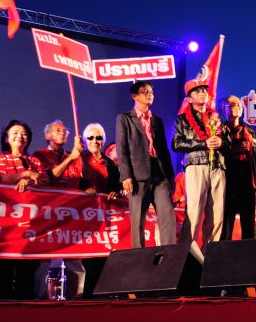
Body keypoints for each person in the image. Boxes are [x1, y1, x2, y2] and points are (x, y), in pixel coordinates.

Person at [0, 120, 45, 300]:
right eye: (15, 133)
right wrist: (25, 174)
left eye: (24, 133)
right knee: (1, 272)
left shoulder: (35, 161)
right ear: (6, 138)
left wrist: (29, 180)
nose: (20, 136)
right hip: (4, 224)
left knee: (27, 273)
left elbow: (43, 181)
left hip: (30, 225)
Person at [116, 81, 177, 250]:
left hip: (160, 174)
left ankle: (169, 254)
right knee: (138, 221)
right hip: (138, 176)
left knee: (168, 216)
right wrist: (126, 176)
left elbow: (164, 150)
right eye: (144, 91)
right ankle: (139, 257)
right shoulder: (125, 119)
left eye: (151, 91)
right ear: (134, 96)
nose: (149, 94)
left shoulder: (157, 120)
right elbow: (122, 148)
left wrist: (170, 176)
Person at [172, 81, 228, 251]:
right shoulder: (182, 119)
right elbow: (176, 144)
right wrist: (204, 143)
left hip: (217, 167)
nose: (203, 93)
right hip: (196, 166)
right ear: (189, 99)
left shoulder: (217, 117)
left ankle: (210, 254)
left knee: (217, 215)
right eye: (197, 92)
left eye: (204, 90)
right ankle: (186, 255)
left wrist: (221, 142)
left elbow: (228, 142)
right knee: (194, 213)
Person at [74, 123, 122, 299]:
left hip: (106, 220)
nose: (95, 141)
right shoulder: (79, 160)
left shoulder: (110, 164)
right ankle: (88, 300)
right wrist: (84, 191)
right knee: (89, 262)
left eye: (99, 137)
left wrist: (115, 193)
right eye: (91, 137)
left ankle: (102, 300)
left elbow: (117, 188)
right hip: (85, 220)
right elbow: (73, 184)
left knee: (105, 261)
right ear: (85, 141)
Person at [221, 95, 256, 241]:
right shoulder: (219, 131)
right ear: (223, 109)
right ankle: (224, 252)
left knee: (249, 224)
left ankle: (249, 253)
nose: (236, 107)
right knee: (226, 222)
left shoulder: (251, 132)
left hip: (247, 182)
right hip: (228, 181)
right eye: (231, 105)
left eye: (238, 104)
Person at [33, 120, 82, 189]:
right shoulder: (40, 154)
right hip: (52, 195)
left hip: (72, 195)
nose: (62, 133)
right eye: (58, 130)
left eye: (65, 131)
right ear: (47, 135)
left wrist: (82, 152)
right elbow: (48, 177)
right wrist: (71, 158)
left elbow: (86, 178)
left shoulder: (74, 155)